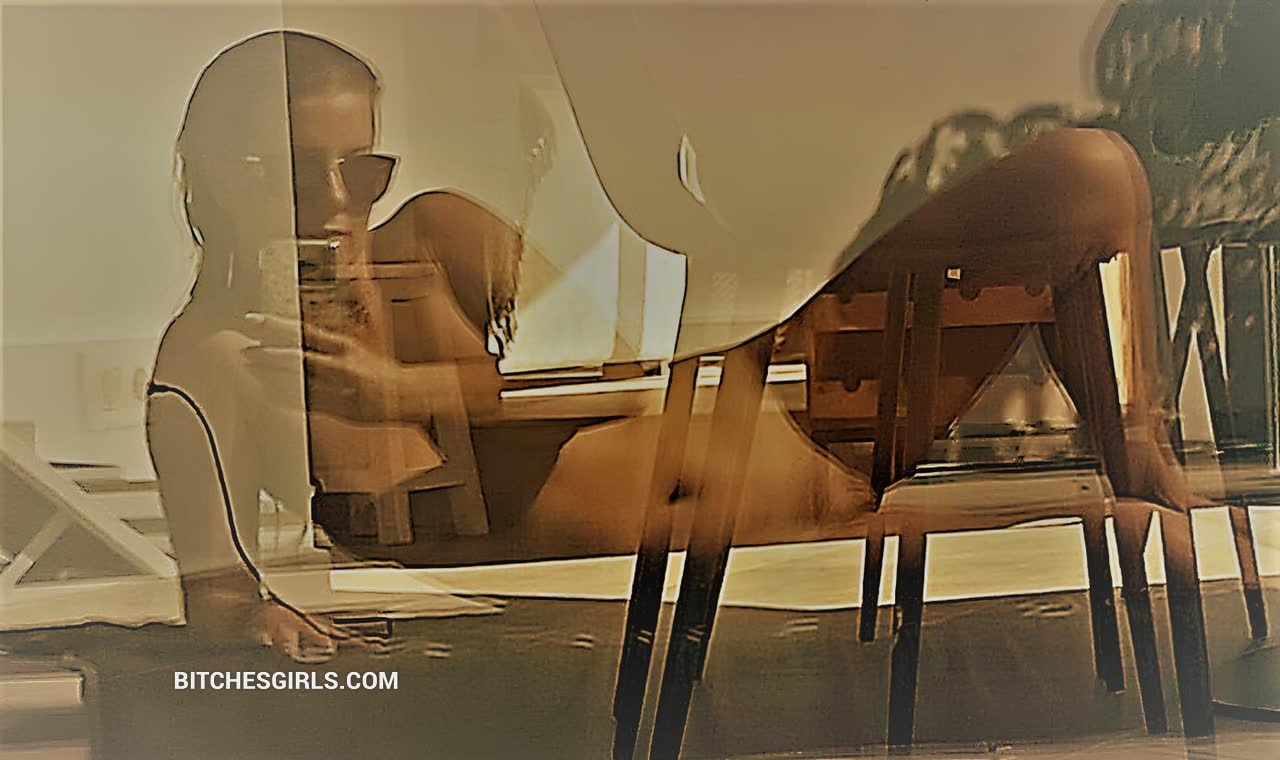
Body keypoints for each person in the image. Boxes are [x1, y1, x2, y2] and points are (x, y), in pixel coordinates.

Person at [148, 30, 513, 662]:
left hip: (598, 575)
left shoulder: (414, 258)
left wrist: (394, 389)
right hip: (527, 600)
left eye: (364, 171)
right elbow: (217, 593)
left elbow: (506, 393)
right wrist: (259, 619)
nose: (340, 201)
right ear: (220, 177)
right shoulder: (213, 355)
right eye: (298, 174)